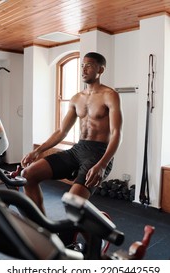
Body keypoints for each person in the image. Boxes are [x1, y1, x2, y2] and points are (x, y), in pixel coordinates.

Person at [21, 52, 123, 215]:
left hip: (98, 153)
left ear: (101, 70)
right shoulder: (76, 98)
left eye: (89, 65)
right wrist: (37, 151)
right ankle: (41, 225)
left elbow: (117, 133)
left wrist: (102, 164)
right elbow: (62, 131)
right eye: (82, 65)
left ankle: (96, 231)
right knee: (28, 175)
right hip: (78, 150)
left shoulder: (110, 95)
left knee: (72, 203)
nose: (83, 69)